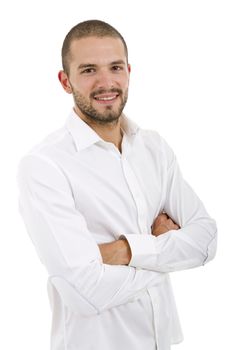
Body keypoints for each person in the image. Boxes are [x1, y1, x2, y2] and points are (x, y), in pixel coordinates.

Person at [17, 20, 217, 350]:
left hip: (161, 342)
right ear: (65, 81)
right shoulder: (44, 166)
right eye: (89, 70)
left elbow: (206, 242)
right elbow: (84, 289)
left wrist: (123, 251)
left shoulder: (154, 148)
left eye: (115, 67)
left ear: (128, 71)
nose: (106, 82)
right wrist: (164, 252)